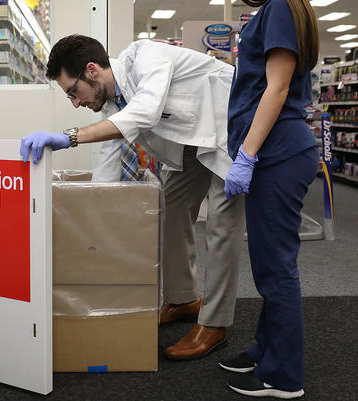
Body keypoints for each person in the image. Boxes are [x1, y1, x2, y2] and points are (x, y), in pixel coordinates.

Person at [20, 34, 246, 360]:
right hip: (190, 141)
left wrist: (70, 137)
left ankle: (214, 324)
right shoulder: (111, 104)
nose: (75, 102)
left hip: (229, 127)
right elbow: (106, 172)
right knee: (171, 208)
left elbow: (145, 113)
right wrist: (88, 228)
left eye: (73, 92)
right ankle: (184, 299)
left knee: (222, 225)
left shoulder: (147, 57)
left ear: (92, 71)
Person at [213, 0, 320, 399]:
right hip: (275, 152)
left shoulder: (279, 7)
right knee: (269, 261)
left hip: (276, 154)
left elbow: (275, 90)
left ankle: (284, 376)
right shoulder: (280, 7)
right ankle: (265, 349)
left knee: (276, 268)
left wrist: (247, 155)